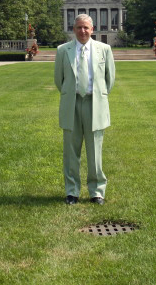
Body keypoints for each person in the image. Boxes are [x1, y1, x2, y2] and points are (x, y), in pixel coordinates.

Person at [54, 14, 115, 205]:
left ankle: (97, 192)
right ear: (73, 29)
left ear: (92, 29)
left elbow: (109, 80)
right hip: (71, 104)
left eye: (86, 28)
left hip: (94, 104)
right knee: (71, 152)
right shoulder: (63, 50)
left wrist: (97, 95)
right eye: (79, 27)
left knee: (95, 151)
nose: (83, 31)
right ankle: (72, 191)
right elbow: (59, 80)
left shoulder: (104, 49)